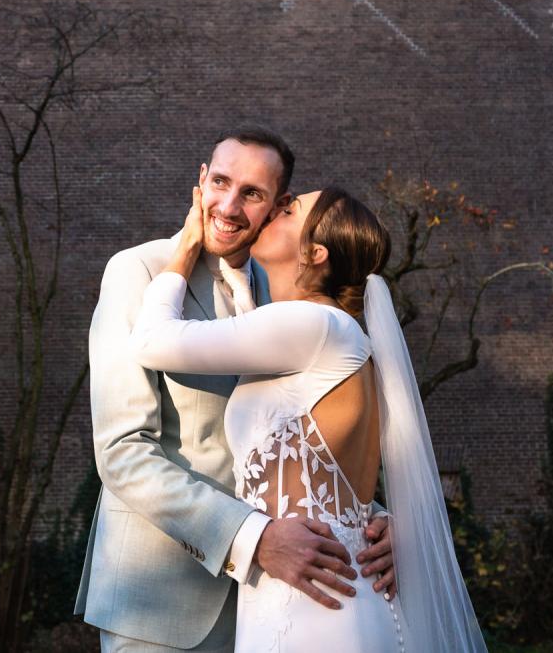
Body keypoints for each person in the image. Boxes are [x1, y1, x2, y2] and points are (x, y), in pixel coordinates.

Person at [127, 184, 489, 653]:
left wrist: (187, 247)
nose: (275, 209)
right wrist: (379, 517)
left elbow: (151, 341)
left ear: (315, 253)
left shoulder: (312, 324)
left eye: (289, 210)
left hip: (313, 606)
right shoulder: (338, 333)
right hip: (333, 585)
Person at [75, 129, 397, 653]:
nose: (228, 206)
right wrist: (254, 537)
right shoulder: (140, 271)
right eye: (221, 182)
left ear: (276, 207)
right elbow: (122, 452)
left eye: (252, 193)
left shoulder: (291, 291)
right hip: (164, 602)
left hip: (283, 599)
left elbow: (300, 438)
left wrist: (370, 521)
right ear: (201, 179)